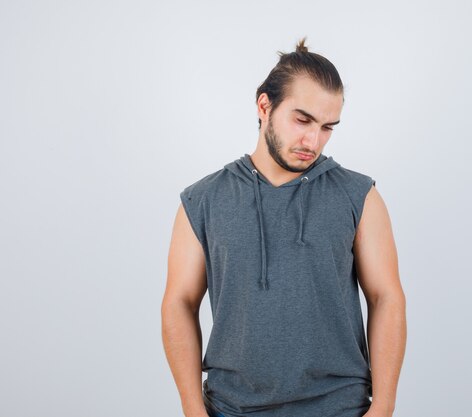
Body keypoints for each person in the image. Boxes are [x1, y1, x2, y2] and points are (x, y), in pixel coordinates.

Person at [162, 37, 406, 417]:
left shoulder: (359, 196)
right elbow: (179, 302)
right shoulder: (202, 200)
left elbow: (386, 297)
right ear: (264, 105)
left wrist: (384, 407)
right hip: (232, 407)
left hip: (339, 407)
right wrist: (193, 409)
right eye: (302, 120)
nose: (314, 140)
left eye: (328, 127)